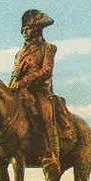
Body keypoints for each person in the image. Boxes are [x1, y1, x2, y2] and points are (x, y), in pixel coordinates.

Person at [9, 9, 61, 172]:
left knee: (45, 113)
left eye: (28, 29)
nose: (24, 32)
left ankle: (51, 155)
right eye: (23, 30)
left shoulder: (48, 48)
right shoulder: (20, 53)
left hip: (40, 91)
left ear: (37, 29)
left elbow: (46, 71)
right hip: (20, 91)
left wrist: (25, 81)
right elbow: (15, 74)